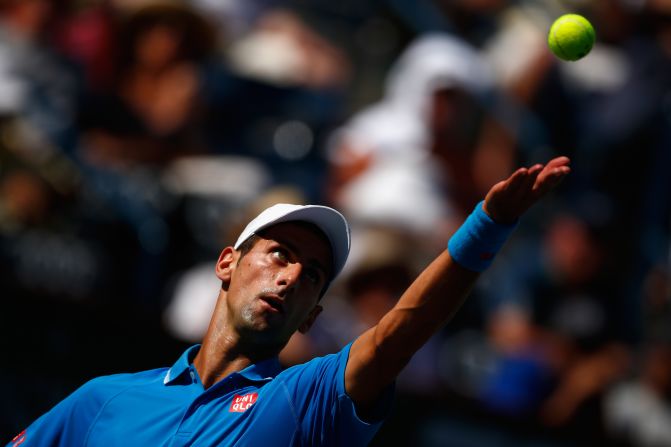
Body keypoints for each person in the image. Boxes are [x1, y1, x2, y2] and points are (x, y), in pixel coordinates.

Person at [7, 156, 571, 446]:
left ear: (314, 315)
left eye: (313, 276)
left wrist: (487, 226)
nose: (292, 276)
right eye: (279, 254)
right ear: (227, 263)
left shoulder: (304, 400)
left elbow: (398, 335)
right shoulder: (102, 400)